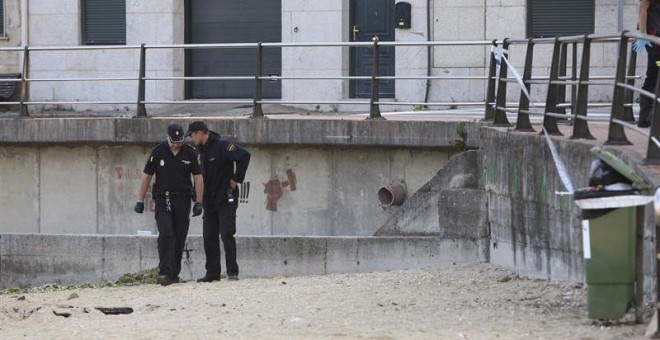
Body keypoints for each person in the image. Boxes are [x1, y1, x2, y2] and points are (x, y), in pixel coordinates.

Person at [134, 123, 204, 286]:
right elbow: (147, 176)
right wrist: (140, 199)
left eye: (179, 141)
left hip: (183, 199)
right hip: (163, 199)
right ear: (168, 138)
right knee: (166, 233)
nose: (176, 145)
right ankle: (164, 272)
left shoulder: (190, 153)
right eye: (173, 141)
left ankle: (174, 273)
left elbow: (198, 177)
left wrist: (199, 202)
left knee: (179, 235)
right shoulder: (158, 152)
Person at [185, 121, 251, 282]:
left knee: (227, 233)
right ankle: (212, 273)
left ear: (200, 133)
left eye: (192, 135)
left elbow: (244, 156)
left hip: (225, 197)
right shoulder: (199, 151)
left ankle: (232, 272)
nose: (192, 140)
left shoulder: (222, 145)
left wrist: (236, 179)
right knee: (209, 235)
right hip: (209, 199)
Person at [633, 0, 660, 127]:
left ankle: (645, 117)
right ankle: (647, 116)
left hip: (656, 36)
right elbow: (643, 8)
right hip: (654, 37)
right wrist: (643, 34)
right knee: (657, 68)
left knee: (653, 73)